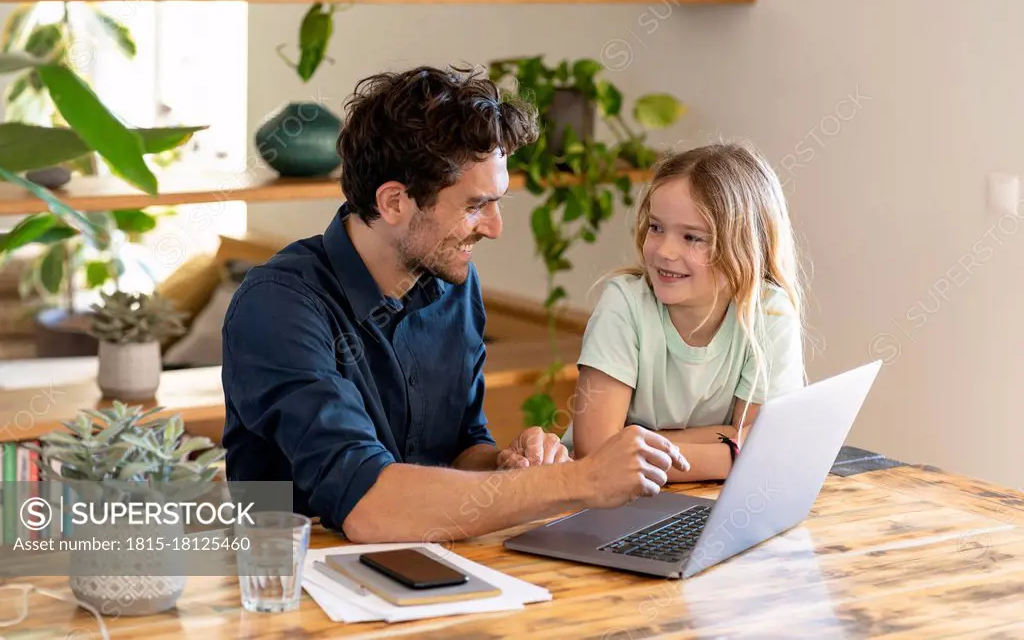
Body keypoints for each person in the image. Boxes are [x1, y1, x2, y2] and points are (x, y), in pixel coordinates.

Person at [221, 65, 688, 543]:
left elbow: (462, 447)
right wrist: (577, 481)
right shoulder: (277, 307)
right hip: (288, 584)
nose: (494, 226)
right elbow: (369, 506)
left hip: (429, 567)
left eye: (496, 201)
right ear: (394, 202)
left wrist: (510, 464)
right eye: (474, 206)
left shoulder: (452, 283)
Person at [566, 142, 807, 482]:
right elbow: (598, 456)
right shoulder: (625, 305)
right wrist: (731, 449)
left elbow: (768, 450)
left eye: (692, 237)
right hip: (605, 505)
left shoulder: (769, 313)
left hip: (708, 500)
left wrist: (636, 444)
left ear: (746, 247)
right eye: (656, 227)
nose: (664, 251)